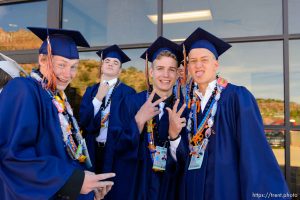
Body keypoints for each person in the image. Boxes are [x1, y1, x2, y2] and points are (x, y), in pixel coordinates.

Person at [0, 27, 115, 200]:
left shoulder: (59, 98)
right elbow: (13, 155)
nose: (68, 74)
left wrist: (89, 189)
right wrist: (74, 181)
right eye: (61, 65)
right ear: (42, 59)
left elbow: (69, 153)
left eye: (74, 67)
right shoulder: (23, 89)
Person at [179, 27, 290, 200]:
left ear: (216, 64)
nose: (198, 65)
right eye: (192, 61)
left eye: (204, 60)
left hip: (224, 188)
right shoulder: (189, 104)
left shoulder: (237, 97)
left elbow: (254, 153)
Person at [107, 36, 187, 200]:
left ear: (178, 73)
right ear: (151, 72)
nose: (165, 75)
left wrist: (175, 137)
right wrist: (137, 122)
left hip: (169, 188)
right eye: (160, 68)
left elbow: (188, 160)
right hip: (135, 186)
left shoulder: (183, 109)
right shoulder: (130, 103)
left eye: (171, 69)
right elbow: (114, 148)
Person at [79, 44, 135, 175]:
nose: (110, 64)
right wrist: (98, 97)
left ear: (120, 70)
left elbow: (130, 126)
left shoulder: (128, 93)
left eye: (115, 62)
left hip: (115, 152)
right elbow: (84, 121)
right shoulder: (91, 90)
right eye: (107, 61)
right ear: (101, 65)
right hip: (92, 149)